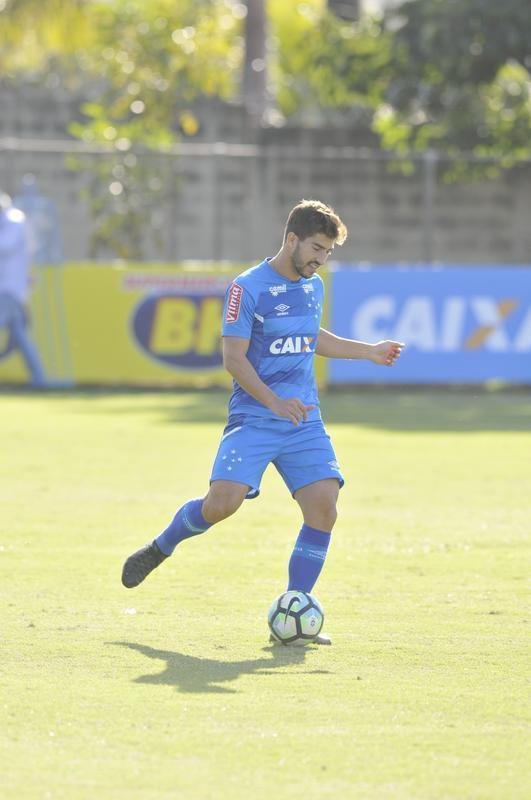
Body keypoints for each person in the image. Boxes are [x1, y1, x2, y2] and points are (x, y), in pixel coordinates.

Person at [122, 199, 404, 645]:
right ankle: (162, 545)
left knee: (324, 507)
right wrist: (272, 402)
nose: (321, 259)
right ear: (291, 238)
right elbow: (233, 359)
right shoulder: (247, 288)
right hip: (256, 415)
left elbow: (313, 337)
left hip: (302, 419)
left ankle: (296, 609)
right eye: (316, 248)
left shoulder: (313, 285)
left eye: (328, 252)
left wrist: (367, 350)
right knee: (221, 505)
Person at [0, 190, 48, 387]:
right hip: (9, 289)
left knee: (18, 333)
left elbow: (5, 245)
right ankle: (39, 378)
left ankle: (39, 379)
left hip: (9, 290)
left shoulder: (13, 221)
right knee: (20, 335)